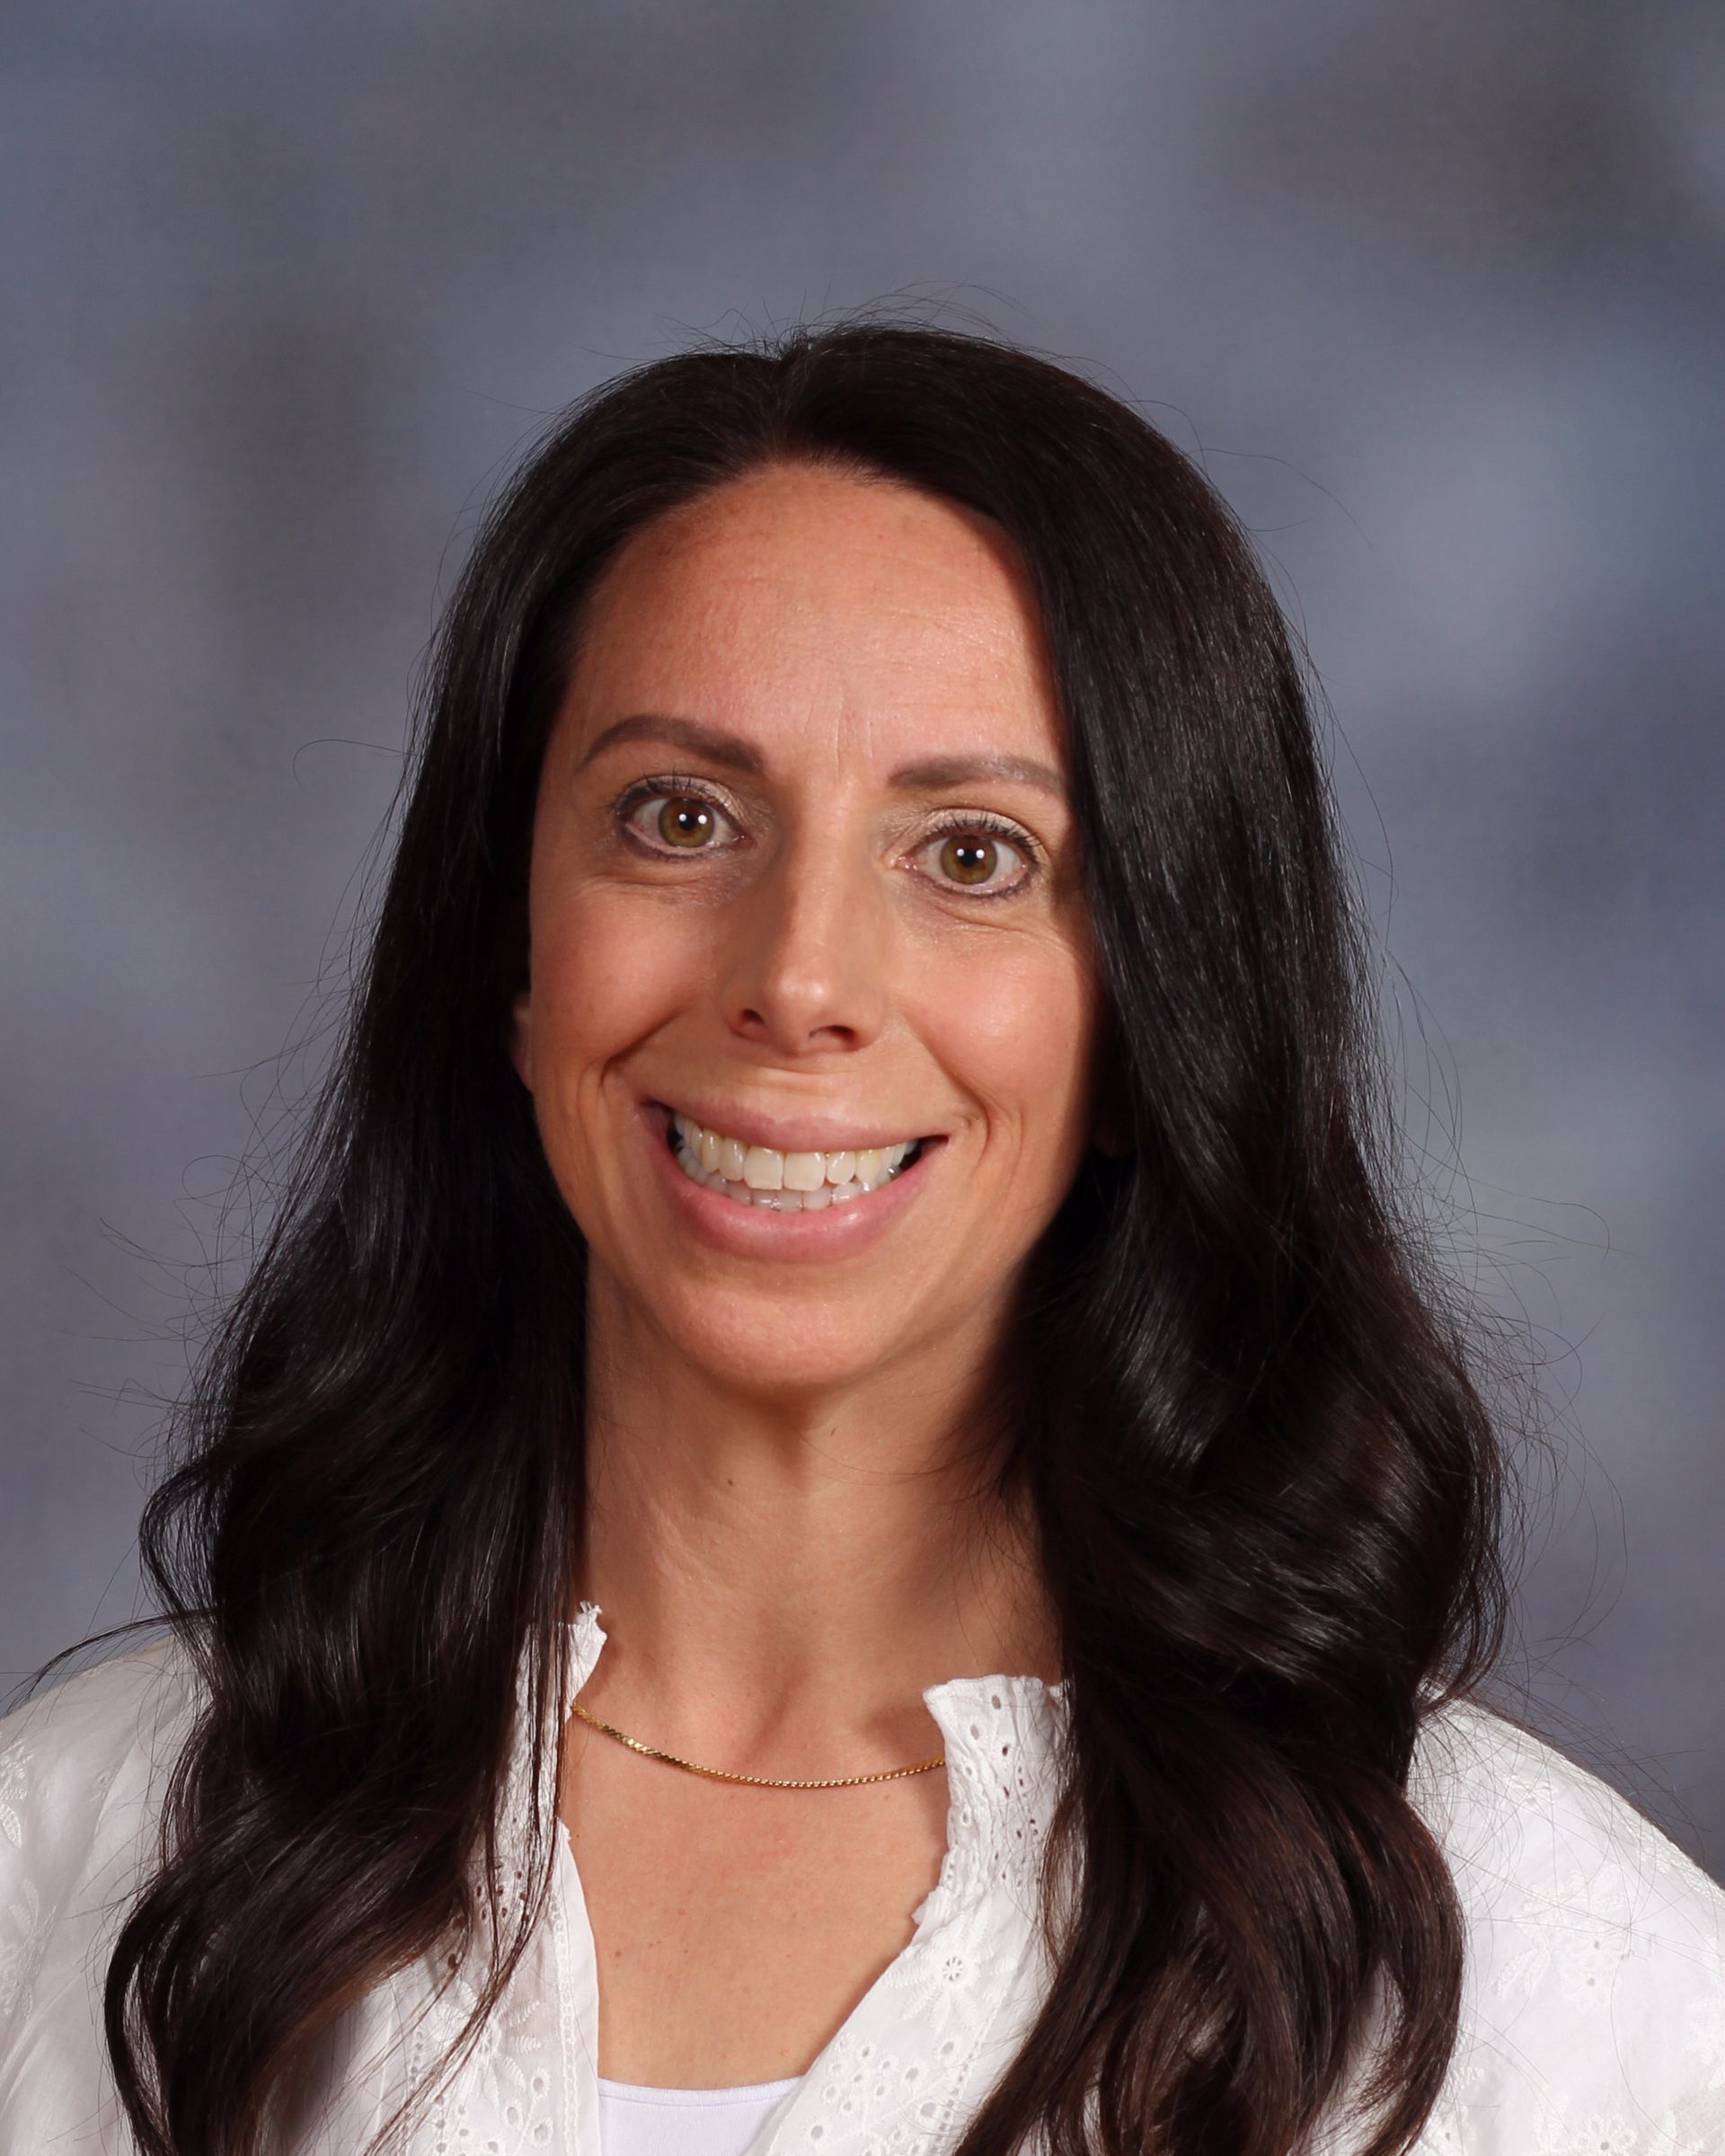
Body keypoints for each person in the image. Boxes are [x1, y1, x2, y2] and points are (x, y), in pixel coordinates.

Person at [1, 319, 1720, 2156]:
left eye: (972, 855)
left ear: (1154, 1021)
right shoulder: (76, 1855)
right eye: (680, 818)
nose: (800, 980)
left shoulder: (1562, 1987)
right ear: (505, 960)